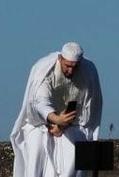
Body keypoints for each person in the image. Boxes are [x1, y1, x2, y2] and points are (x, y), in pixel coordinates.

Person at [10, 42, 102, 177]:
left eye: (75, 67)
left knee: (74, 153)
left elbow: (88, 111)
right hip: (39, 124)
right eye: (67, 66)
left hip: (72, 125)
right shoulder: (45, 70)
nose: (71, 71)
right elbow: (40, 102)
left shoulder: (88, 72)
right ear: (60, 59)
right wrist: (56, 119)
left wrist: (62, 125)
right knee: (36, 154)